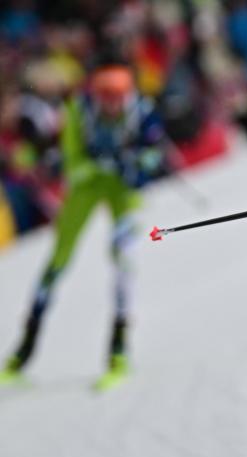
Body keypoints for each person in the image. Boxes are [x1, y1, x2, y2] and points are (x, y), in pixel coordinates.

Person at [1, 62, 168, 390]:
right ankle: (23, 352)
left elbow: (152, 158)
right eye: (105, 95)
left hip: (121, 189)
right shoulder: (81, 110)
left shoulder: (142, 111)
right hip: (87, 186)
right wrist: (100, 163)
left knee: (123, 260)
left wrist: (135, 164)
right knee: (59, 259)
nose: (111, 103)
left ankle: (118, 351)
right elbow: (73, 163)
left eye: (117, 95)